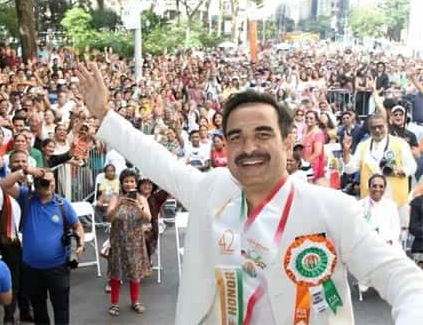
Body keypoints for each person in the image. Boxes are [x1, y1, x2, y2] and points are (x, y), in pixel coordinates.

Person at [77, 63, 423, 325]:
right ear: (225, 146)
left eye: (262, 134)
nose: (249, 148)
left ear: (288, 141)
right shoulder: (210, 189)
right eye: (237, 137)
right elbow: (157, 161)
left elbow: (405, 280)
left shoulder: (333, 209)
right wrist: (105, 114)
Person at [0, 169, 84, 325]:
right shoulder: (27, 198)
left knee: (61, 309)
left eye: (50, 181)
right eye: (43, 181)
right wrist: (25, 171)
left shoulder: (61, 204)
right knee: (38, 309)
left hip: (58, 268)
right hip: (32, 269)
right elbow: (3, 184)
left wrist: (80, 244)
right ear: (36, 181)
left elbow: (77, 225)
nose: (47, 184)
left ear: (54, 183)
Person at [0, 150, 41, 324]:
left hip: (30, 241)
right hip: (9, 241)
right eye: (16, 161)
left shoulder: (34, 184)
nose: (20, 164)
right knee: (13, 281)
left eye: (23, 161)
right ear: (9, 165)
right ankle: (9, 316)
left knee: (27, 279)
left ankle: (25, 311)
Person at [343, 113, 417, 230]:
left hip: (395, 198)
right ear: (369, 128)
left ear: (386, 126)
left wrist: (401, 170)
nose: (377, 130)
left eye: (380, 126)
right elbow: (350, 169)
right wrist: (346, 152)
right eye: (373, 127)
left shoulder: (400, 143)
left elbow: (412, 166)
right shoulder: (363, 146)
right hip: (371, 198)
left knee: (395, 235)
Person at [105, 169, 152, 316]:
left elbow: (148, 219)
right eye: (126, 181)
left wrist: (137, 206)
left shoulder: (141, 198)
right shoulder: (115, 197)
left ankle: (135, 302)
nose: (129, 184)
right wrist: (119, 204)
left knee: (135, 273)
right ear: (121, 183)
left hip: (135, 242)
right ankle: (114, 304)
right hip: (118, 241)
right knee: (115, 273)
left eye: (132, 181)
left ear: (136, 183)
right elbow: (108, 218)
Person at [357, 174, 401, 247]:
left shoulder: (391, 205)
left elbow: (396, 229)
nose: (378, 189)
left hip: (387, 247)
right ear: (369, 187)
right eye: (374, 186)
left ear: (384, 188)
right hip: (366, 247)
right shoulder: (360, 205)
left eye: (381, 186)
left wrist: (390, 242)